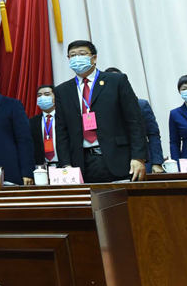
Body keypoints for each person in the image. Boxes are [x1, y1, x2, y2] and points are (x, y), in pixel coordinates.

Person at [54, 40, 146, 182]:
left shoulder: (116, 81)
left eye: (82, 54)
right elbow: (61, 131)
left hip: (119, 159)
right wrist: (66, 164)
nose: (77, 58)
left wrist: (138, 157)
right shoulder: (62, 91)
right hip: (82, 163)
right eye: (72, 55)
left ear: (94, 58)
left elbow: (134, 121)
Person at [103, 67, 164, 173]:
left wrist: (157, 162)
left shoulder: (141, 105)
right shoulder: (100, 109)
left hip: (142, 161)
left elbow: (153, 135)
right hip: (114, 163)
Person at [29, 85, 59, 167]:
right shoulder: (32, 122)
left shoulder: (64, 118)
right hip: (41, 167)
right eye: (39, 95)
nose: (42, 97)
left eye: (47, 94)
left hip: (64, 166)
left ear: (55, 97)